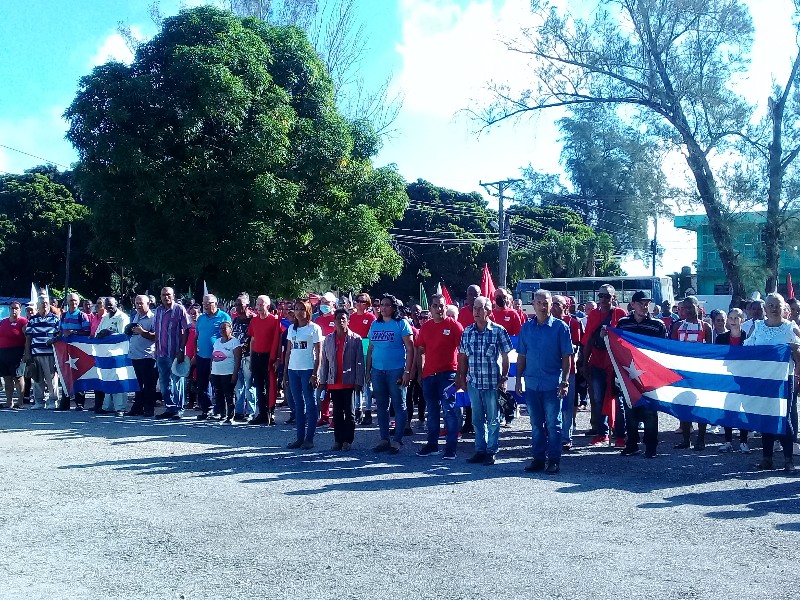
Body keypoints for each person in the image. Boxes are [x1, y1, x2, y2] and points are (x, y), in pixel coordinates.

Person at [516, 290, 573, 474]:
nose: (543, 306)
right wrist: (518, 379)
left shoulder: (561, 328)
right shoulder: (526, 328)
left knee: (553, 424)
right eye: (539, 302)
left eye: (546, 303)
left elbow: (567, 357)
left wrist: (565, 381)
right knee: (535, 424)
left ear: (551, 305)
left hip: (552, 385)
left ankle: (554, 460)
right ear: (533, 305)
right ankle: (538, 459)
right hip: (532, 384)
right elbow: (522, 356)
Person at [744, 293, 800, 473]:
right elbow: (747, 351)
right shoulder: (757, 327)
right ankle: (767, 458)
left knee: (783, 417)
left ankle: (788, 460)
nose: (774, 308)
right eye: (770, 305)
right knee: (765, 416)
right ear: (765, 308)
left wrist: (795, 350)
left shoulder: (791, 328)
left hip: (784, 378)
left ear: (784, 308)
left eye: (778, 305)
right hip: (763, 379)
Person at [456, 296, 513, 466]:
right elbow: (463, 357)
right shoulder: (467, 332)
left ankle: (491, 450)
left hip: (492, 382)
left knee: (494, 420)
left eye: (480, 308)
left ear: (488, 311)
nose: (476, 311)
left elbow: (505, 357)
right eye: (474, 308)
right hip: (474, 382)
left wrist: (504, 378)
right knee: (477, 419)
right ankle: (480, 450)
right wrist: (462, 377)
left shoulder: (498, 330)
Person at [615, 291, 668, 458]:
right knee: (631, 408)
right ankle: (632, 444)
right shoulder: (623, 323)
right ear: (633, 305)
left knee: (650, 410)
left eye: (647, 303)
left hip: (650, 374)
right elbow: (616, 345)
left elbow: (664, 349)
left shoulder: (658, 325)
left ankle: (651, 445)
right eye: (641, 303)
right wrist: (604, 336)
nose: (645, 306)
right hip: (629, 373)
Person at [415, 293, 464, 459]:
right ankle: (432, 445)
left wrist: (460, 375)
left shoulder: (455, 326)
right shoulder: (426, 327)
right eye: (435, 305)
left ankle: (451, 448)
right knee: (433, 411)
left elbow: (463, 353)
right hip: (429, 376)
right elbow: (420, 350)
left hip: (449, 376)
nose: (438, 309)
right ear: (430, 308)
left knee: (449, 411)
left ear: (446, 307)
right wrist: (421, 373)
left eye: (441, 305)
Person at [367, 294, 414, 454]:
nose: (384, 308)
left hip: (397, 370)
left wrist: (407, 372)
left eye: (387, 305)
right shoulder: (375, 324)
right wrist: (368, 371)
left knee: (399, 405)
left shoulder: (401, 324)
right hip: (378, 370)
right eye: (382, 305)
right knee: (381, 405)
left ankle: (397, 439)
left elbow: (410, 348)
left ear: (394, 308)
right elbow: (370, 349)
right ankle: (384, 438)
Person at [581, 285, 627, 446]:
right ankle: (602, 433)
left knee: (618, 399)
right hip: (598, 362)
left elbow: (625, 340)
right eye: (600, 296)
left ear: (613, 297)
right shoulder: (593, 315)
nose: (603, 299)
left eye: (607, 296)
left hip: (615, 363)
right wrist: (585, 363)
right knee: (598, 398)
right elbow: (587, 341)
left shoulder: (620, 314)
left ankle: (620, 434)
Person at [318, 309, 365, 451]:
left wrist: (359, 382)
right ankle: (338, 440)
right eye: (338, 318)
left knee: (349, 412)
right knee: (337, 413)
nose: (341, 321)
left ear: (348, 321)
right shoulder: (328, 339)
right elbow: (325, 362)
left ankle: (348, 441)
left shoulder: (356, 339)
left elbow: (360, 362)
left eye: (344, 318)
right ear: (334, 321)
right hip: (334, 382)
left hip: (349, 381)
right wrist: (323, 381)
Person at [671, 296, 713, 450]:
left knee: (701, 404)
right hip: (683, 372)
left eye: (690, 307)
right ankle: (686, 439)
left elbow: (710, 351)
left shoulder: (705, 327)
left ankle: (701, 439)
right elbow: (672, 349)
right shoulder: (677, 326)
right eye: (684, 307)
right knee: (684, 404)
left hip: (700, 372)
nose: (687, 310)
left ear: (697, 307)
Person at [284, 300, 323, 450]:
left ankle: (309, 438)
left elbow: (319, 353)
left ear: (308, 311)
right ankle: (299, 438)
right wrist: (285, 374)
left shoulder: (314, 329)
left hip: (307, 369)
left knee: (310, 402)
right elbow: (288, 352)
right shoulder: (291, 329)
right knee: (297, 404)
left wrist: (315, 373)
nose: (299, 312)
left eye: (302, 309)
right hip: (293, 370)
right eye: (296, 309)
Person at [715, 308, 751, 453]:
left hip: (744, 379)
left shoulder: (749, 338)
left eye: (737, 318)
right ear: (727, 320)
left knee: (743, 409)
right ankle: (728, 441)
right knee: (728, 409)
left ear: (742, 320)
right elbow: (717, 358)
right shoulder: (721, 338)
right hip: (727, 378)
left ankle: (743, 441)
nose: (733, 321)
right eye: (731, 318)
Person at [154, 287, 191, 419]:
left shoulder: (179, 309)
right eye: (163, 295)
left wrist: (181, 350)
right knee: (164, 382)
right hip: (160, 352)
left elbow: (186, 330)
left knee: (177, 381)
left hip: (175, 352)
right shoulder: (157, 311)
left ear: (173, 296)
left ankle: (179, 409)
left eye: (168, 295)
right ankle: (169, 407)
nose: (166, 297)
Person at [551, 295, 582, 448]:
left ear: (565, 306)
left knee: (567, 405)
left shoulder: (573, 323)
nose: (553, 307)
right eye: (552, 304)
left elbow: (575, 347)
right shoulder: (546, 323)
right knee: (550, 404)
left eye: (556, 304)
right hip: (549, 369)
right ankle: (552, 435)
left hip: (568, 370)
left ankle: (566, 437)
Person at [193, 294, 231, 420]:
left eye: (208, 304)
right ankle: (206, 410)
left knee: (218, 386)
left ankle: (220, 411)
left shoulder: (224, 317)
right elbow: (196, 336)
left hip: (218, 358)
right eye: (204, 304)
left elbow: (229, 337)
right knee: (202, 385)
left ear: (215, 303)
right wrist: (195, 353)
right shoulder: (201, 318)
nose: (206, 306)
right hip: (201, 356)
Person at [54, 292, 92, 410]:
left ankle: (79, 403)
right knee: (65, 375)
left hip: (78, 350)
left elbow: (87, 332)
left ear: (78, 302)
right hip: (65, 351)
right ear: (67, 302)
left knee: (79, 375)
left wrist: (73, 332)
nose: (73, 303)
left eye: (75, 300)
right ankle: (64, 403)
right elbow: (59, 331)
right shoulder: (63, 316)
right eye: (71, 300)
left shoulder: (82, 316)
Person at [247, 295, 281, 425]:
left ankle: (270, 413)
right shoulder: (254, 321)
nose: (259, 307)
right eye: (257, 304)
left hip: (269, 356)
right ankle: (261, 413)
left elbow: (277, 342)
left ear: (267, 306)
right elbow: (253, 340)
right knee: (259, 386)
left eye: (261, 305)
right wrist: (251, 359)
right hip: (257, 356)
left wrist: (277, 358)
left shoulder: (274, 320)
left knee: (270, 385)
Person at [24, 298, 61, 410]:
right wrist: (27, 354)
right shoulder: (32, 320)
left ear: (49, 305)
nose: (44, 305)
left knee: (51, 378)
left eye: (46, 303)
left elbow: (60, 335)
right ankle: (39, 401)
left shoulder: (55, 319)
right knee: (37, 378)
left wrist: (54, 339)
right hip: (36, 353)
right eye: (42, 303)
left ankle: (52, 400)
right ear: (38, 306)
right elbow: (28, 338)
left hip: (50, 353)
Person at [95, 297, 130, 416]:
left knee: (119, 379)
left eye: (111, 304)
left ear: (116, 304)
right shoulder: (105, 318)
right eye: (107, 305)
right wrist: (100, 334)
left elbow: (124, 335)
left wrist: (108, 333)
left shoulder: (122, 317)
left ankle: (120, 407)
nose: (109, 307)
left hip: (119, 353)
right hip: (106, 354)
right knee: (108, 378)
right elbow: (97, 333)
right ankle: (107, 406)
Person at [126, 295, 157, 417]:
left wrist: (143, 332)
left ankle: (149, 409)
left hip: (147, 356)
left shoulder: (153, 318)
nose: (138, 305)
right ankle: (137, 407)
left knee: (149, 385)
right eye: (136, 303)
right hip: (135, 355)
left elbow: (156, 336)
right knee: (137, 384)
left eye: (141, 303)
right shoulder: (135, 316)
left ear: (148, 303)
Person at [348, 293, 376, 425]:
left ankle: (368, 410)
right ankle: (357, 409)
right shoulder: (351, 317)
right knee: (355, 381)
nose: (359, 303)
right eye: (357, 301)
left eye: (362, 301)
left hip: (366, 346)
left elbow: (371, 338)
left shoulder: (371, 317)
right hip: (354, 346)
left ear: (367, 304)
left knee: (366, 381)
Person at [210, 321, 241, 424]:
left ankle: (230, 416)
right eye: (221, 328)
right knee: (218, 395)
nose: (222, 330)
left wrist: (235, 373)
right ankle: (222, 415)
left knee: (229, 395)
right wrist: (211, 370)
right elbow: (213, 356)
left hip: (228, 373)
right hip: (216, 372)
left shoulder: (235, 342)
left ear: (230, 329)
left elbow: (237, 360)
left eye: (225, 328)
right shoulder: (217, 341)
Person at [314, 292, 338, 426]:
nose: (324, 305)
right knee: (322, 387)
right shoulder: (317, 320)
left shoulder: (338, 318)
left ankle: (336, 417)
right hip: (322, 357)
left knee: (335, 388)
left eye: (327, 303)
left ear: (333, 304)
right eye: (322, 302)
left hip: (335, 357)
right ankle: (324, 416)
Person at [231, 294, 256, 421]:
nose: (238, 307)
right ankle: (239, 411)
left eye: (241, 304)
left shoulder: (253, 320)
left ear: (247, 305)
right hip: (237, 357)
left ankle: (251, 411)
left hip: (248, 356)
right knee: (238, 385)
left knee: (249, 385)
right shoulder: (235, 320)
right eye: (236, 304)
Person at [0, 301, 28, 409]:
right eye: (12, 308)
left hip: (17, 352)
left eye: (16, 308)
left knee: (18, 377)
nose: (14, 310)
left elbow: (28, 339)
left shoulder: (23, 322)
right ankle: (8, 401)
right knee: (7, 378)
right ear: (9, 309)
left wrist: (26, 354)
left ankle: (20, 401)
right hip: (3, 353)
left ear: (20, 310)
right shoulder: (3, 322)